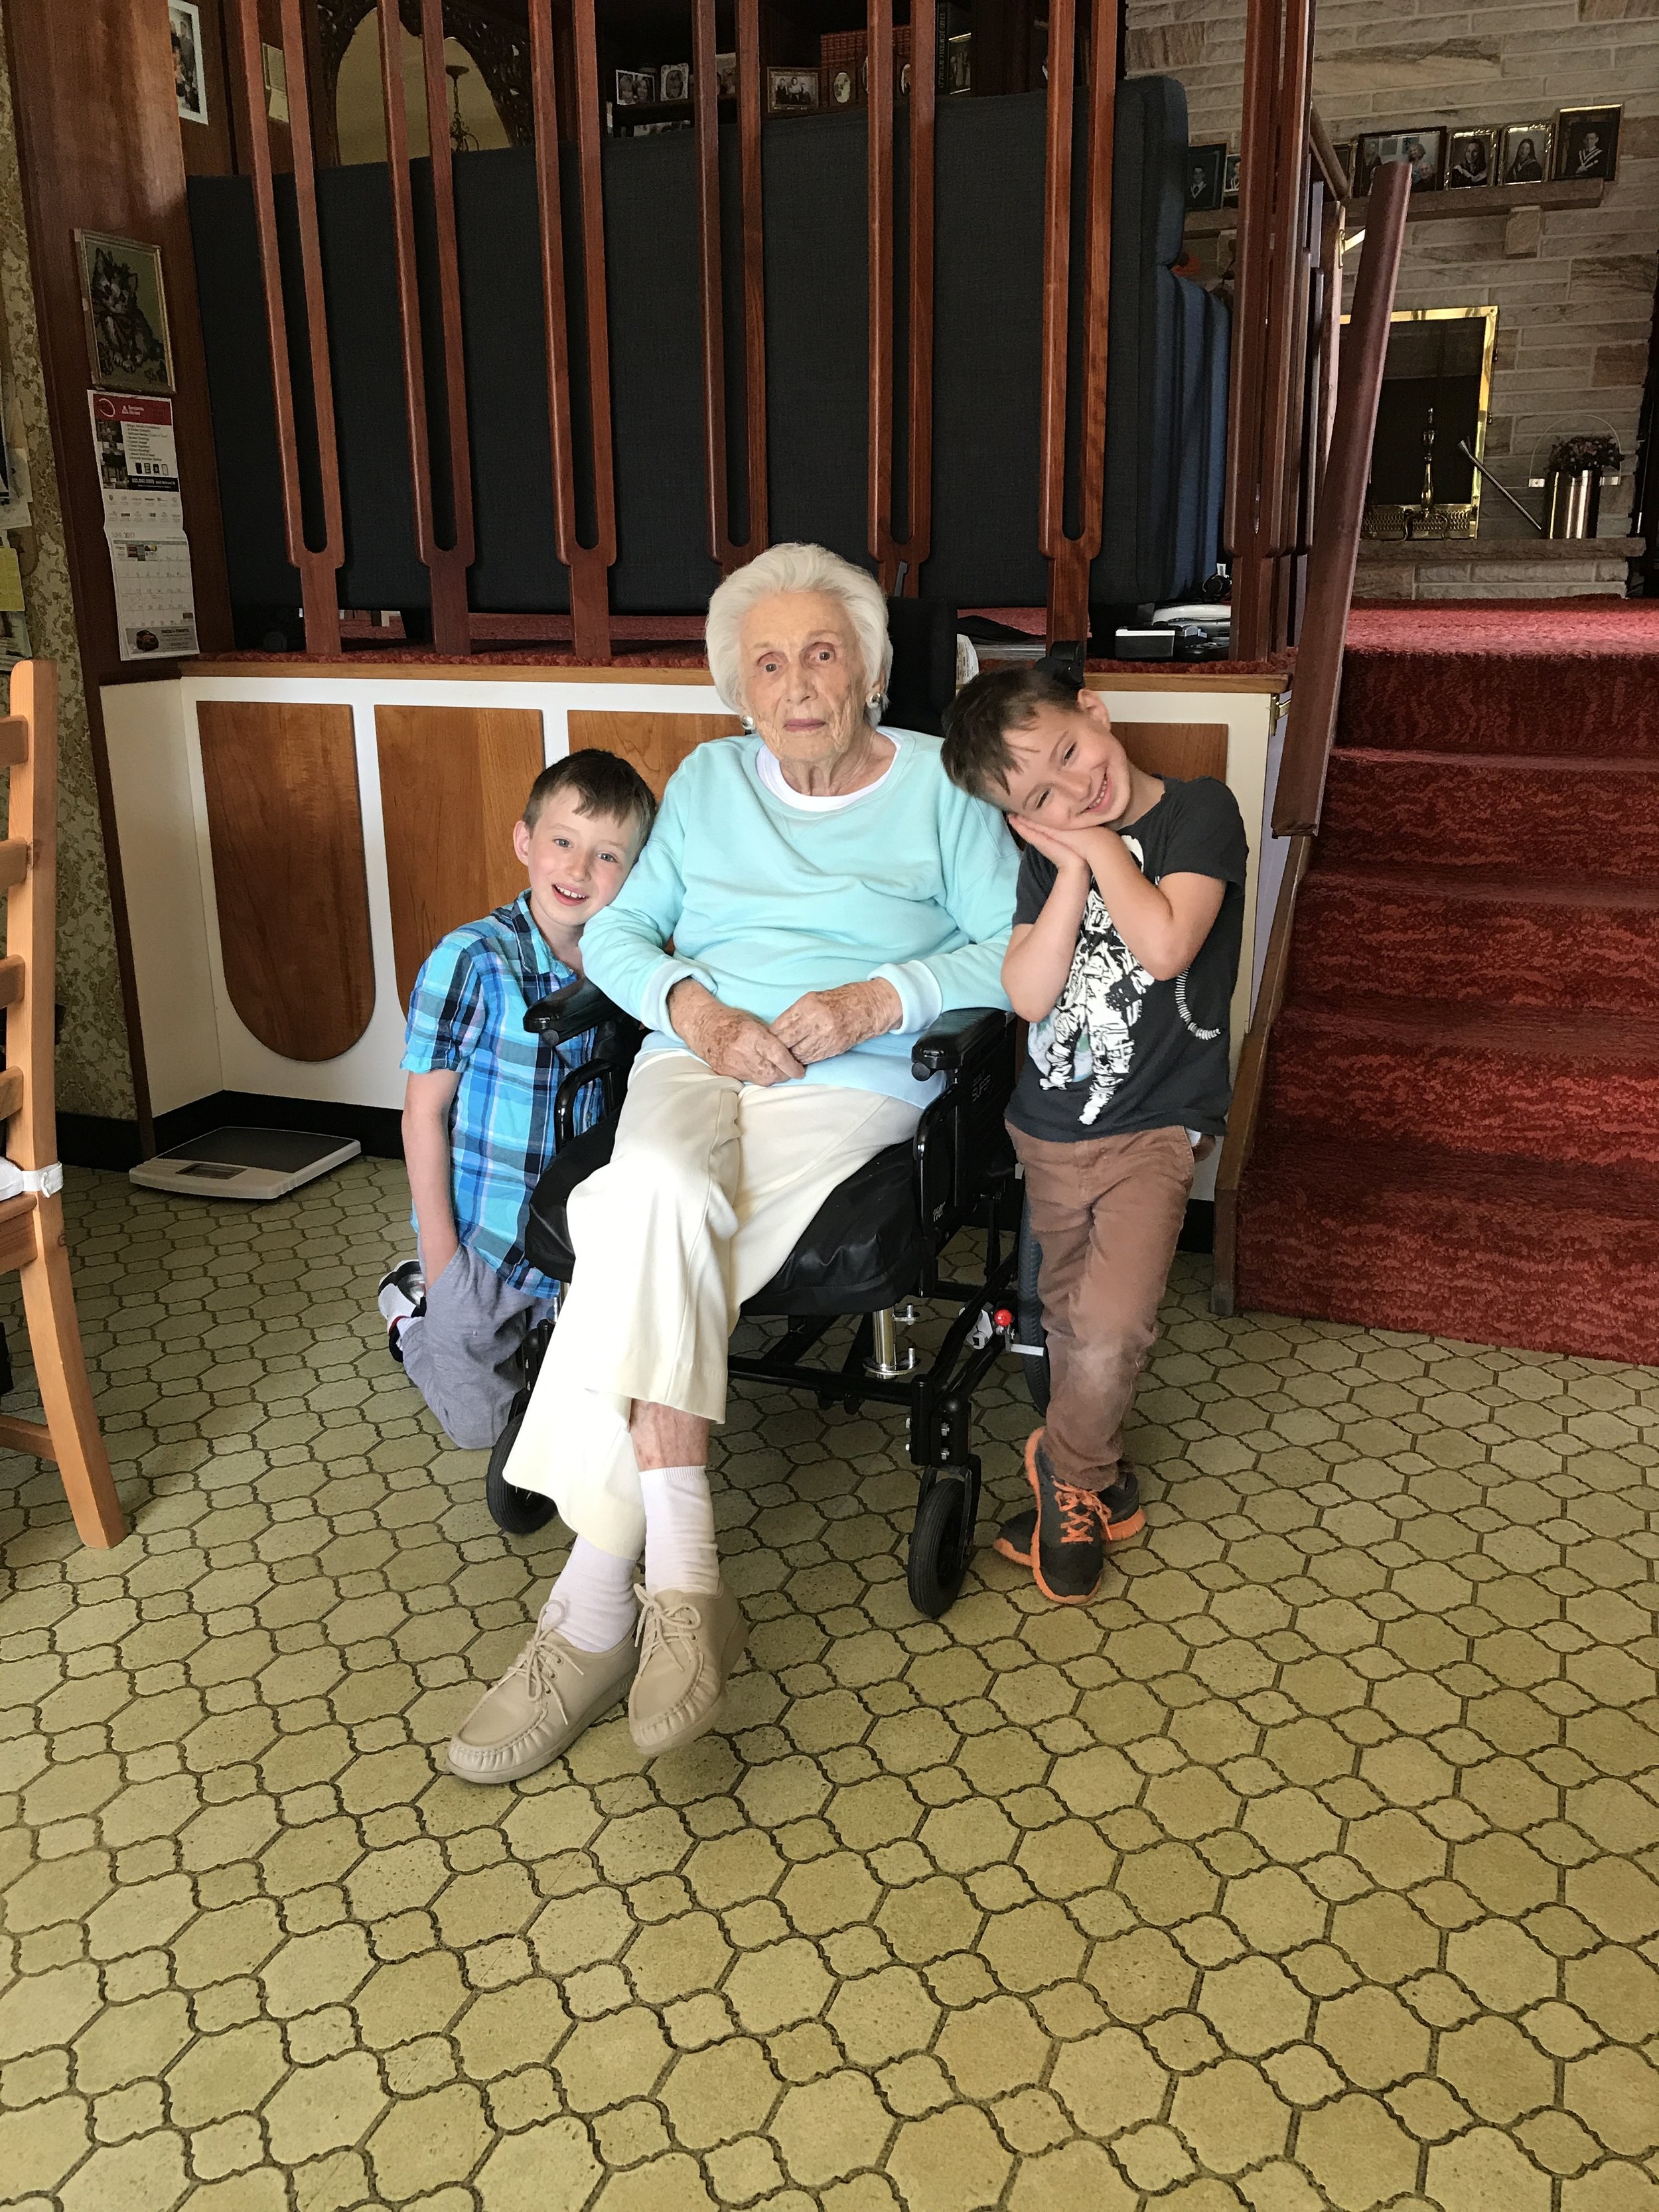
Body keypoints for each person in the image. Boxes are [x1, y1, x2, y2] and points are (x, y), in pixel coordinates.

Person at [446, 542, 1019, 1783]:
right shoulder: (708, 782)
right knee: (652, 1190)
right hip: (698, 1059)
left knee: (629, 1221)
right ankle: (686, 1578)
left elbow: (1013, 952)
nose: (797, 683)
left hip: (853, 1079)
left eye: (823, 654)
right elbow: (622, 934)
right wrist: (696, 1013)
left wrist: (879, 997)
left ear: (870, 671)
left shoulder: (942, 786)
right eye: (768, 663)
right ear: (738, 688)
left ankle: (591, 1610)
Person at [940, 665, 1248, 1607]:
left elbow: (1166, 944)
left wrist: (1099, 846)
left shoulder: (1199, 813)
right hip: (1049, 1130)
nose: (1074, 791)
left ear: (1095, 712)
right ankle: (1099, 1476)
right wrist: (1070, 867)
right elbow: (1030, 996)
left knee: (1114, 1325)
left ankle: (1066, 1477)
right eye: (1040, 798)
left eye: (1070, 753)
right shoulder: (1053, 861)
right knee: (1069, 1317)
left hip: (1156, 1127)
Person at [379, 751, 656, 1449]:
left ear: (634, 872)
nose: (579, 869)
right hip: (484, 1243)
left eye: (607, 856)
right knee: (483, 1428)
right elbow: (422, 1113)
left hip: (576, 1238)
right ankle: (409, 1312)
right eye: (563, 841)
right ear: (525, 841)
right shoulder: (471, 960)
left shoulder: (626, 963)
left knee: (587, 1415)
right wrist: (442, 1257)